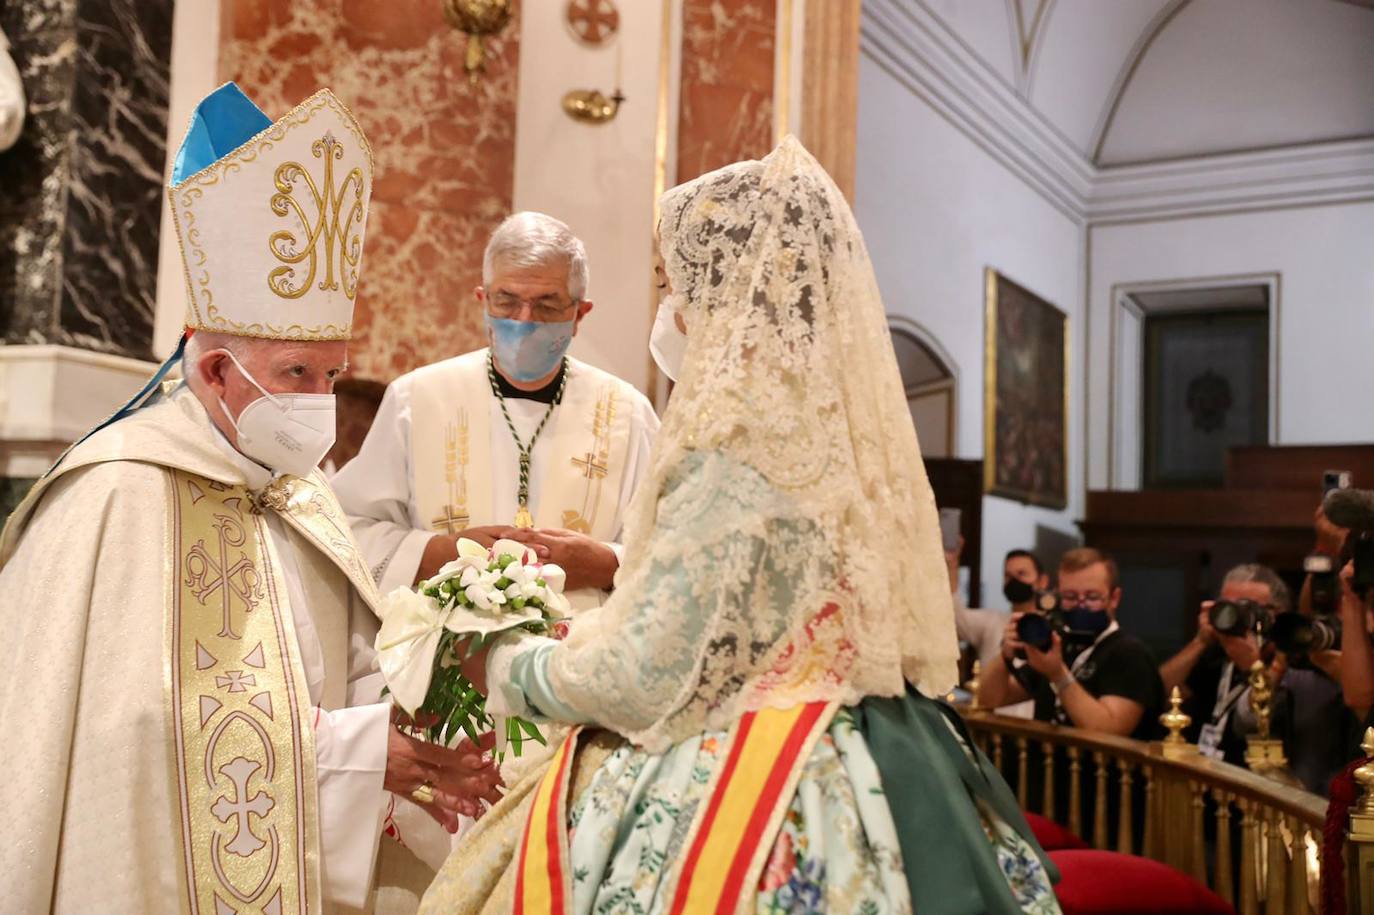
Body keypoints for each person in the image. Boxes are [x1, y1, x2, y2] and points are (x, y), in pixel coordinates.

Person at [418, 137, 1060, 914]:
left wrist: (509, 663)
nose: (673, 310)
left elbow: (649, 673)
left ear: (726, 287)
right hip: (877, 748)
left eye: (674, 284)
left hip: (753, 766)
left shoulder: (729, 438)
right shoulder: (839, 425)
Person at [0, 83, 500, 913]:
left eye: (332, 373)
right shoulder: (118, 492)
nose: (318, 400)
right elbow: (123, 743)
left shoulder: (304, 497)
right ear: (216, 372)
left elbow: (353, 666)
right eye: (295, 374)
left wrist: (422, 715)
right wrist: (353, 754)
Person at [333, 212, 659, 611]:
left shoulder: (628, 414)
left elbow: (672, 549)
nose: (524, 320)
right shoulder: (417, 399)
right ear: (482, 300)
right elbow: (349, 528)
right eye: (506, 301)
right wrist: (441, 552)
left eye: (547, 304)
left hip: (577, 655)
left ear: (579, 314)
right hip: (446, 656)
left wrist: (608, 564)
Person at [978, 547, 1165, 740]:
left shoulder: (1129, 654)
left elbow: (1109, 730)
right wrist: (1005, 655)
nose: (1080, 605)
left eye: (1092, 597)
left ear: (1114, 598)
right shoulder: (1058, 645)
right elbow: (989, 700)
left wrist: (1058, 675)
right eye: (1070, 597)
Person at [1158, 564, 1288, 765]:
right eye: (1228, 606)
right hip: (1204, 777)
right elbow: (1158, 692)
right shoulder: (1214, 655)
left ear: (1275, 614)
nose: (1235, 616)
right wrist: (1199, 642)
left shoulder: (1285, 661)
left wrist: (1252, 665)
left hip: (1253, 784)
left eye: (1246, 608)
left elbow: (1254, 721)